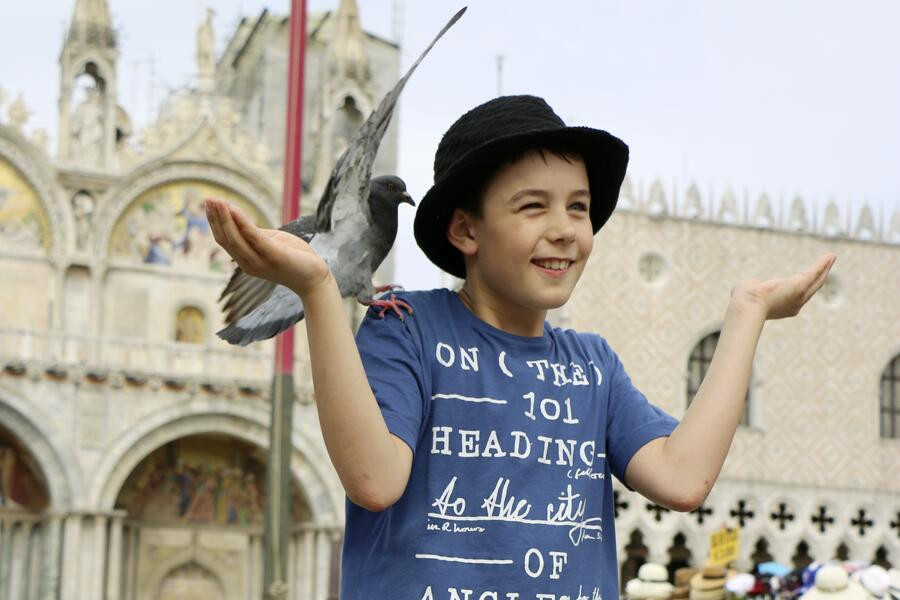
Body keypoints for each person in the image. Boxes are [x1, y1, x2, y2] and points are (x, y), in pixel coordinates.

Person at [204, 95, 836, 599]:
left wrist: (747, 313)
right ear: (466, 228)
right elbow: (373, 479)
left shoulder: (593, 366)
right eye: (533, 207)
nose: (564, 230)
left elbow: (683, 477)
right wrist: (319, 291)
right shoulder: (408, 327)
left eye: (579, 208)